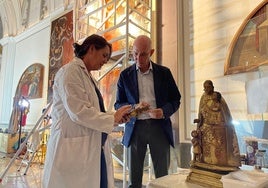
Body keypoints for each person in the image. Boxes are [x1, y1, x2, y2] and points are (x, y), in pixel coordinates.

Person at [43, 34, 132, 188]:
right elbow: (79, 112)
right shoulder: (70, 72)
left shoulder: (89, 78)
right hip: (72, 150)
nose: (105, 61)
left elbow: (92, 111)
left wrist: (115, 117)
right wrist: (113, 118)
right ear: (91, 49)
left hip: (93, 148)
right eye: (104, 55)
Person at [114, 35, 181, 188]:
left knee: (162, 178)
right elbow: (118, 104)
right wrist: (133, 108)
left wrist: (163, 111)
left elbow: (176, 99)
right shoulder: (125, 76)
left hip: (160, 127)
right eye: (135, 53)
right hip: (135, 128)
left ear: (151, 52)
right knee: (134, 179)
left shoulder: (164, 73)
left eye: (143, 54)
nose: (138, 58)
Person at [193, 80, 240, 167]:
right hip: (206, 128)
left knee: (218, 150)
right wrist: (199, 120)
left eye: (208, 87)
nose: (207, 89)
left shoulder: (218, 97)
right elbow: (201, 113)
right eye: (205, 87)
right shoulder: (203, 97)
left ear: (212, 87)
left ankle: (221, 164)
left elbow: (223, 112)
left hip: (219, 128)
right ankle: (206, 163)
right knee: (207, 151)